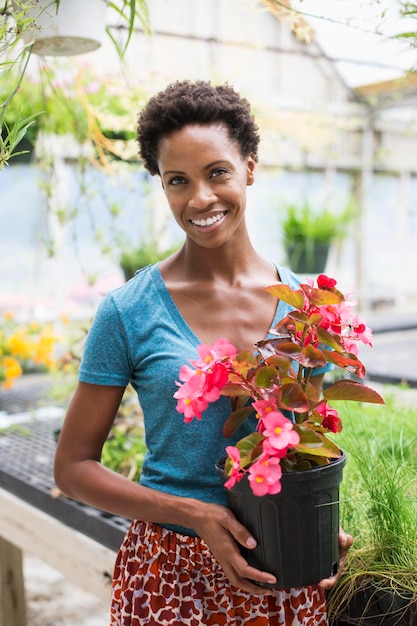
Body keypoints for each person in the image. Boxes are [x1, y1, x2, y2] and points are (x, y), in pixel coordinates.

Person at [54, 80, 353, 625]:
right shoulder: (127, 312)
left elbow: (300, 443)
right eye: (177, 181)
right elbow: (73, 467)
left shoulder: (307, 311)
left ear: (250, 168)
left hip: (281, 572)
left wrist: (316, 517)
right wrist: (190, 512)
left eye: (217, 172)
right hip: (171, 577)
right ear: (161, 186)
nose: (200, 199)